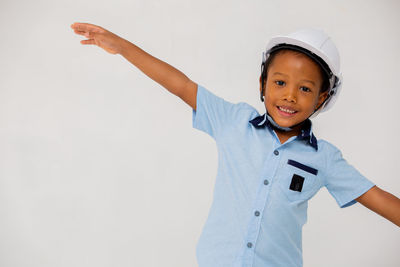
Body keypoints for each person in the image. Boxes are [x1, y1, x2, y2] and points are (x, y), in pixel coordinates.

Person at [70, 22, 400, 267]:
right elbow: (180, 84)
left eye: (304, 88)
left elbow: (378, 199)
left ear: (321, 98)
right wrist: (122, 47)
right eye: (281, 82)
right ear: (263, 83)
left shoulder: (323, 158)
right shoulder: (234, 121)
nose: (288, 95)